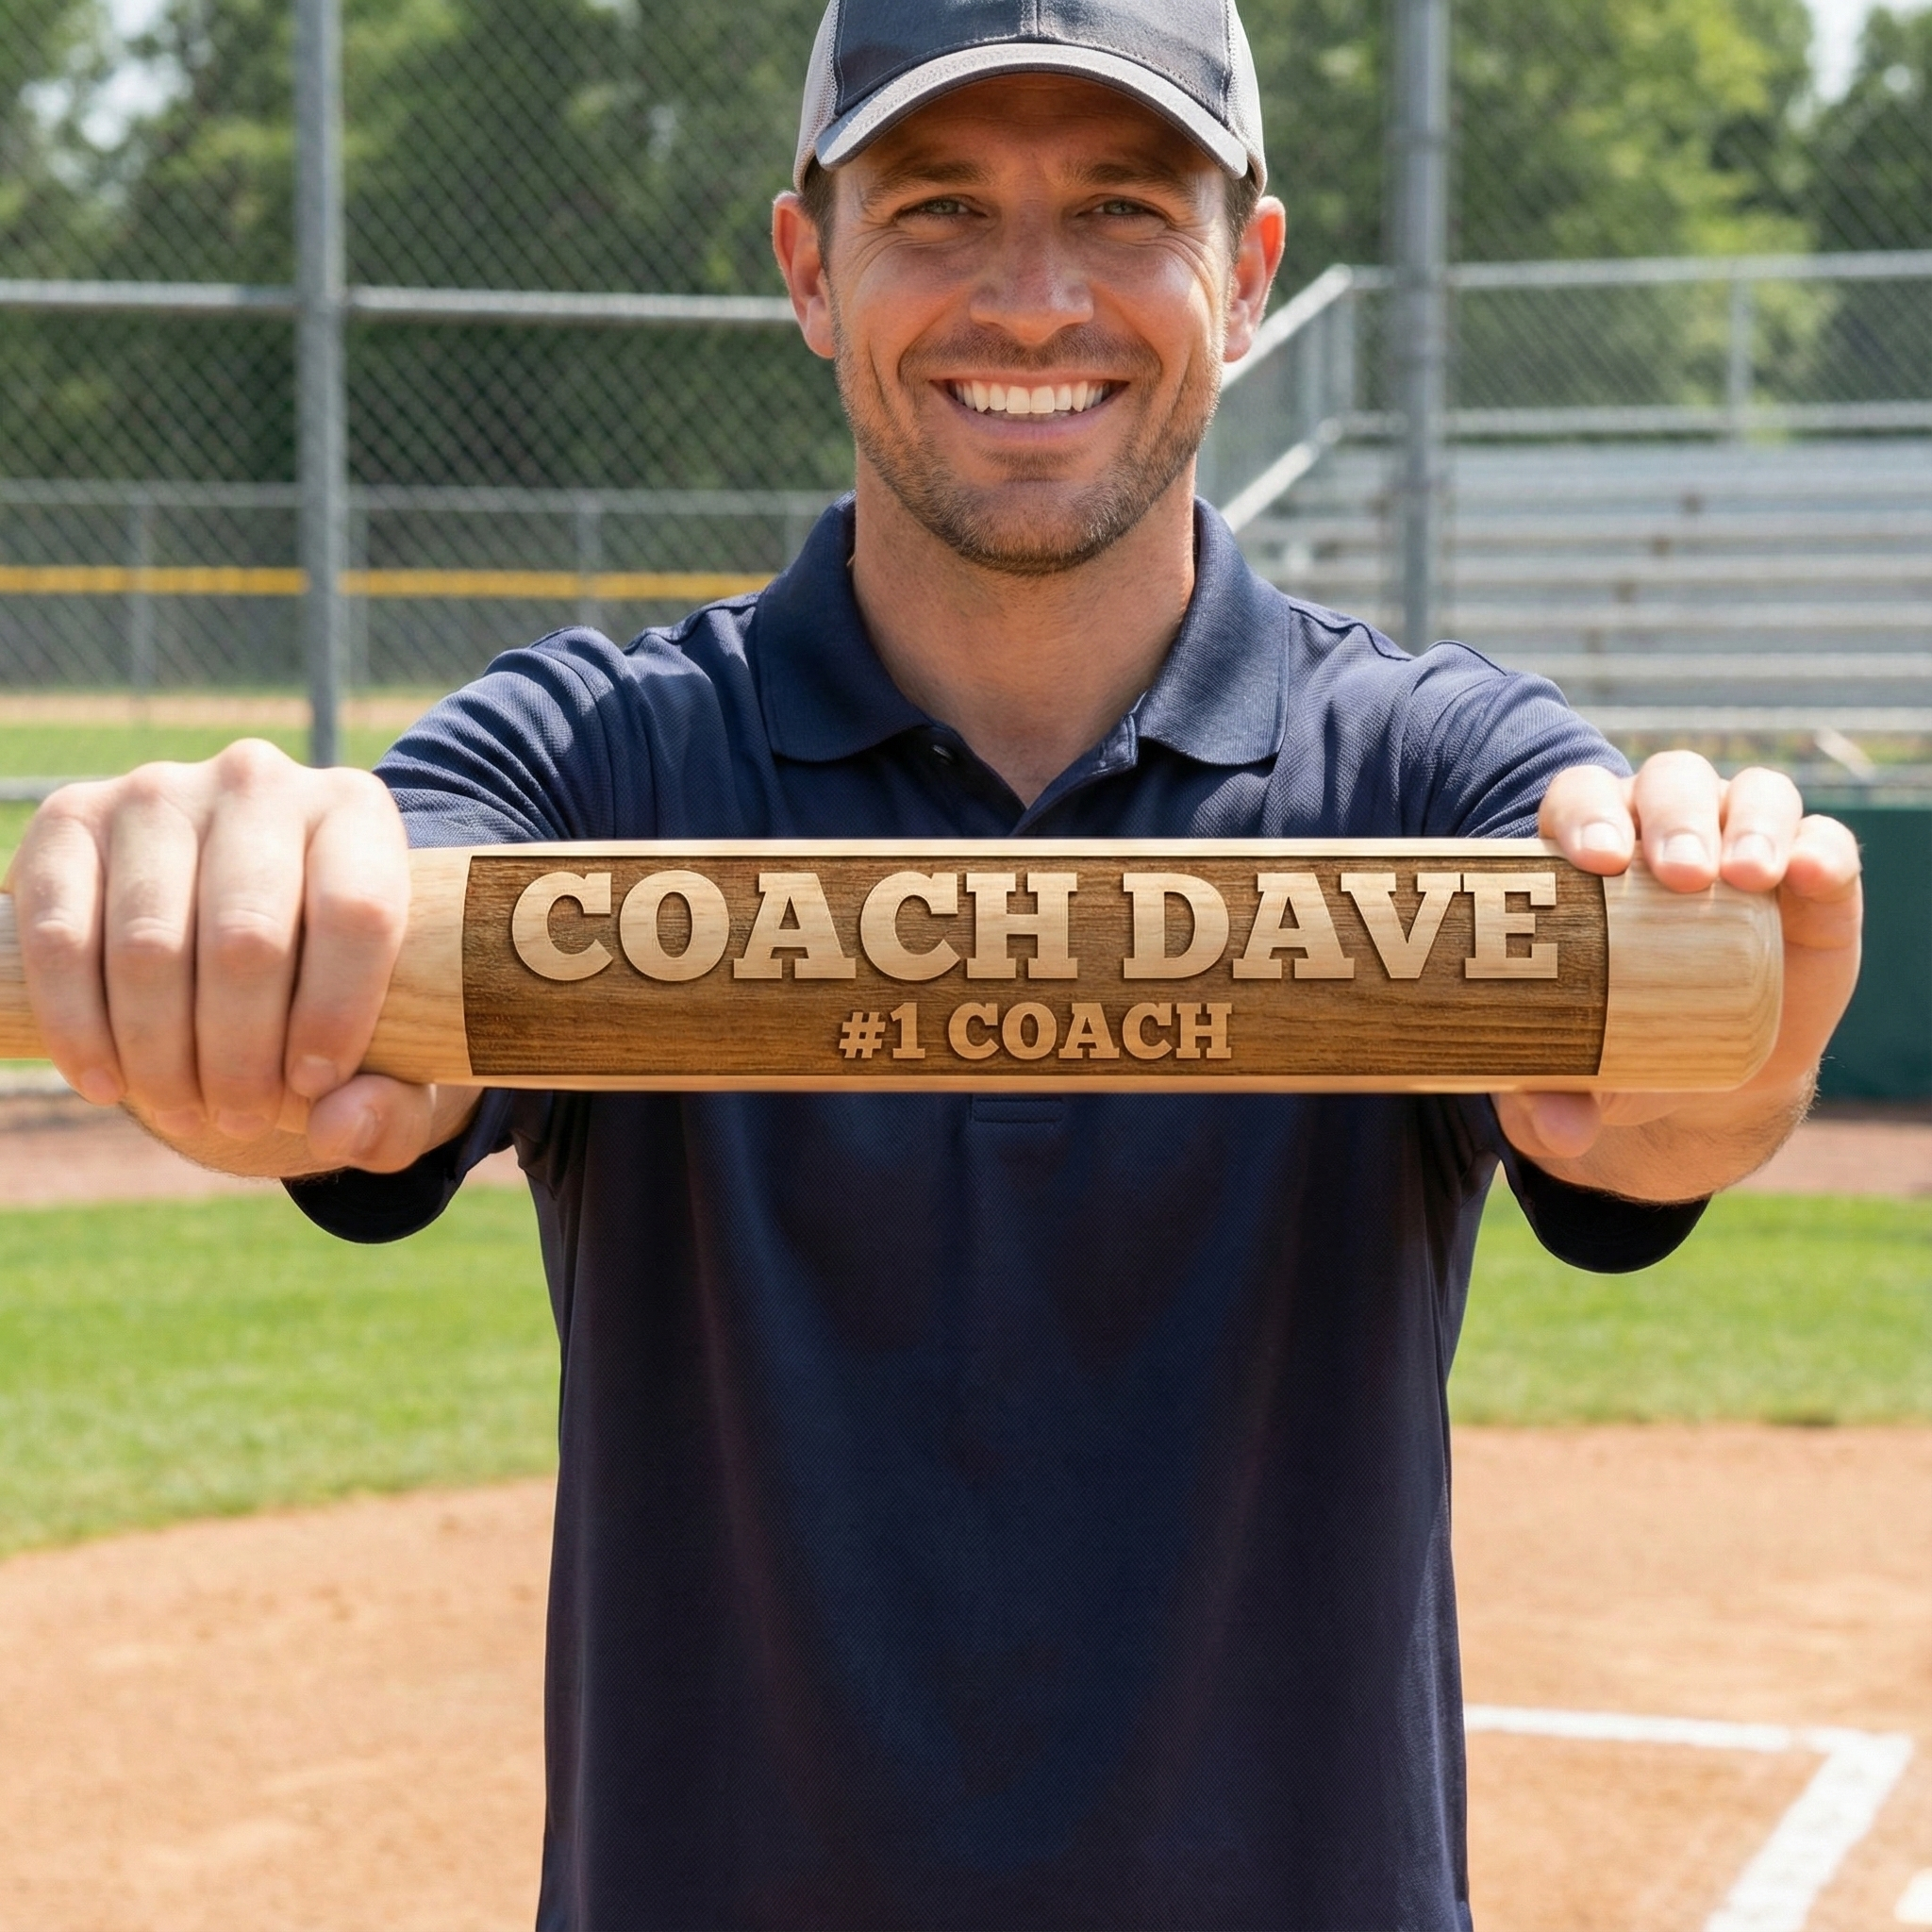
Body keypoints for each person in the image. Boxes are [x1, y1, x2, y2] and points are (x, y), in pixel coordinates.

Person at [8, 0, 1861, 1924]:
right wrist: (262, 907)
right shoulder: (611, 755)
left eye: (1125, 209)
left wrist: (1711, 1036)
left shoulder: (1414, 762)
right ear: (811, 268)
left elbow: (1654, 1080)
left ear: (1245, 277)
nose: (1034, 298)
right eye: (943, 209)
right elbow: (391, 923)